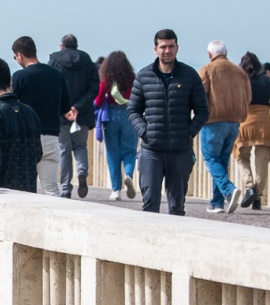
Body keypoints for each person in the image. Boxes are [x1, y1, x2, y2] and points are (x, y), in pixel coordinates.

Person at [128, 29, 207, 215]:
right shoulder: (144, 75)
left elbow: (203, 111)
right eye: (163, 47)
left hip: (180, 150)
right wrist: (144, 131)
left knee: (177, 206)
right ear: (155, 49)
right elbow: (132, 110)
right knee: (150, 202)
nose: (167, 51)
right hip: (151, 149)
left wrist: (189, 133)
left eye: (171, 46)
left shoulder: (189, 75)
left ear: (177, 48)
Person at [0, 54, 44, 191]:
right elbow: (37, 153)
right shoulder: (29, 112)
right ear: (9, 81)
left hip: (1, 195)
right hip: (27, 192)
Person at [10, 36, 71, 194]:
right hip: (51, 136)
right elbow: (65, 107)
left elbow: (10, 106)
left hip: (26, 138)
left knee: (24, 188)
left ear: (19, 55)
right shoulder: (56, 75)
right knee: (50, 188)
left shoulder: (19, 77)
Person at [196, 41, 250, 212]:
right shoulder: (240, 72)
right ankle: (217, 202)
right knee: (221, 161)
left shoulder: (207, 70)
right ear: (225, 53)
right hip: (234, 122)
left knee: (211, 159)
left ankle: (228, 190)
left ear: (209, 54)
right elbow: (248, 97)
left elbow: (198, 96)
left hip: (213, 121)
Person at [48, 34, 99, 199]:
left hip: (61, 114)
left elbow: (52, 88)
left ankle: (65, 188)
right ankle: (82, 172)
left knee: (64, 150)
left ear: (62, 46)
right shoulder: (88, 61)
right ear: (76, 46)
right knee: (80, 146)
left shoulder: (54, 61)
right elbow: (94, 89)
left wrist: (65, 108)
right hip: (81, 114)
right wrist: (77, 107)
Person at [232, 50, 270, 210]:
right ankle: (257, 197)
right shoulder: (267, 81)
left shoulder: (240, 81)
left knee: (241, 157)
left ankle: (249, 187)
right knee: (262, 162)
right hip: (264, 126)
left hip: (245, 124)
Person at [95, 50, 140, 201]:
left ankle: (116, 191)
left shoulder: (107, 81)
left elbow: (99, 101)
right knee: (130, 150)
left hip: (111, 117)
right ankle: (129, 175)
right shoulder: (132, 79)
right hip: (129, 115)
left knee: (113, 153)